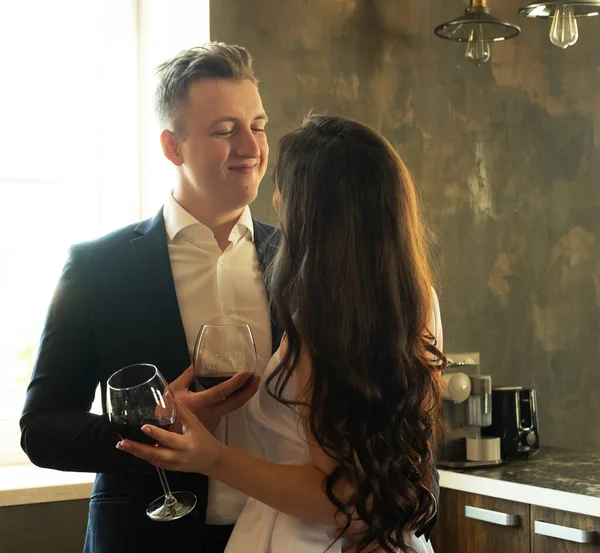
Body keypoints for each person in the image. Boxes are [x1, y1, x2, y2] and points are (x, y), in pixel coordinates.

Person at [118, 114, 446, 553]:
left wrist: (210, 456)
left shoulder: (322, 312)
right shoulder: (416, 297)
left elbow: (339, 500)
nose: (274, 198)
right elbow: (396, 463)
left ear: (309, 209)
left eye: (282, 187)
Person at [20, 43, 280, 553]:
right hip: (147, 538)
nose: (251, 146)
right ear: (172, 147)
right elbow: (42, 429)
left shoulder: (305, 259)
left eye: (259, 124)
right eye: (226, 130)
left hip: (285, 535)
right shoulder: (98, 267)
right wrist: (153, 429)